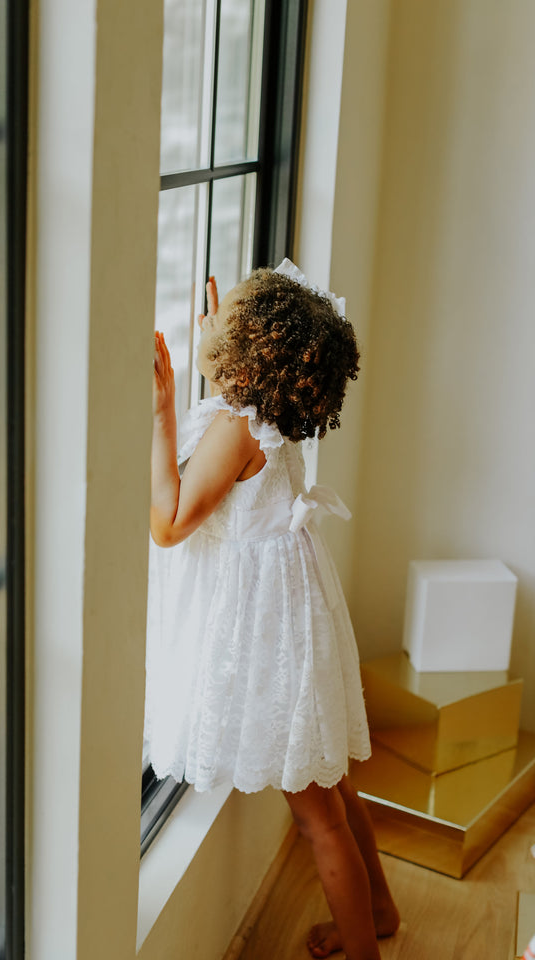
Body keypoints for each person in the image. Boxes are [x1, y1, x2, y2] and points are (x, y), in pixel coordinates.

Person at [146, 260, 399, 960]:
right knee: (333, 787)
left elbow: (168, 524)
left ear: (248, 358)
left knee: (317, 817)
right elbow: (231, 436)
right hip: (293, 615)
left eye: (227, 319)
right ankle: (378, 909)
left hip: (270, 631)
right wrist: (216, 349)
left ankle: (365, 949)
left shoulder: (233, 428)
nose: (212, 316)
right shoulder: (264, 411)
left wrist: (162, 411)